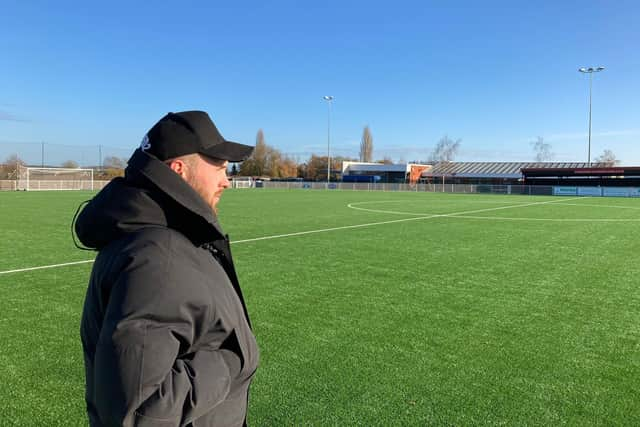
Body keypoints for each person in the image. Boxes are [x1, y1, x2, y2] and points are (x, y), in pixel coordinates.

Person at [75, 111, 259, 426]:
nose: (226, 180)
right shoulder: (158, 257)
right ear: (178, 170)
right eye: (217, 164)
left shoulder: (169, 238)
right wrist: (231, 359)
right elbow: (139, 409)